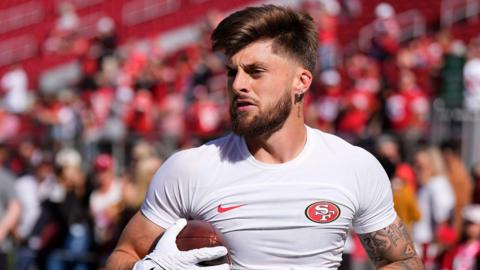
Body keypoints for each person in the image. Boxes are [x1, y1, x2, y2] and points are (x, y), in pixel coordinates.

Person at [106, 5, 422, 269]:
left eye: (255, 72)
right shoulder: (189, 169)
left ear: (301, 81)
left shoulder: (353, 166)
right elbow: (124, 254)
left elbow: (402, 259)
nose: (238, 85)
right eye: (233, 72)